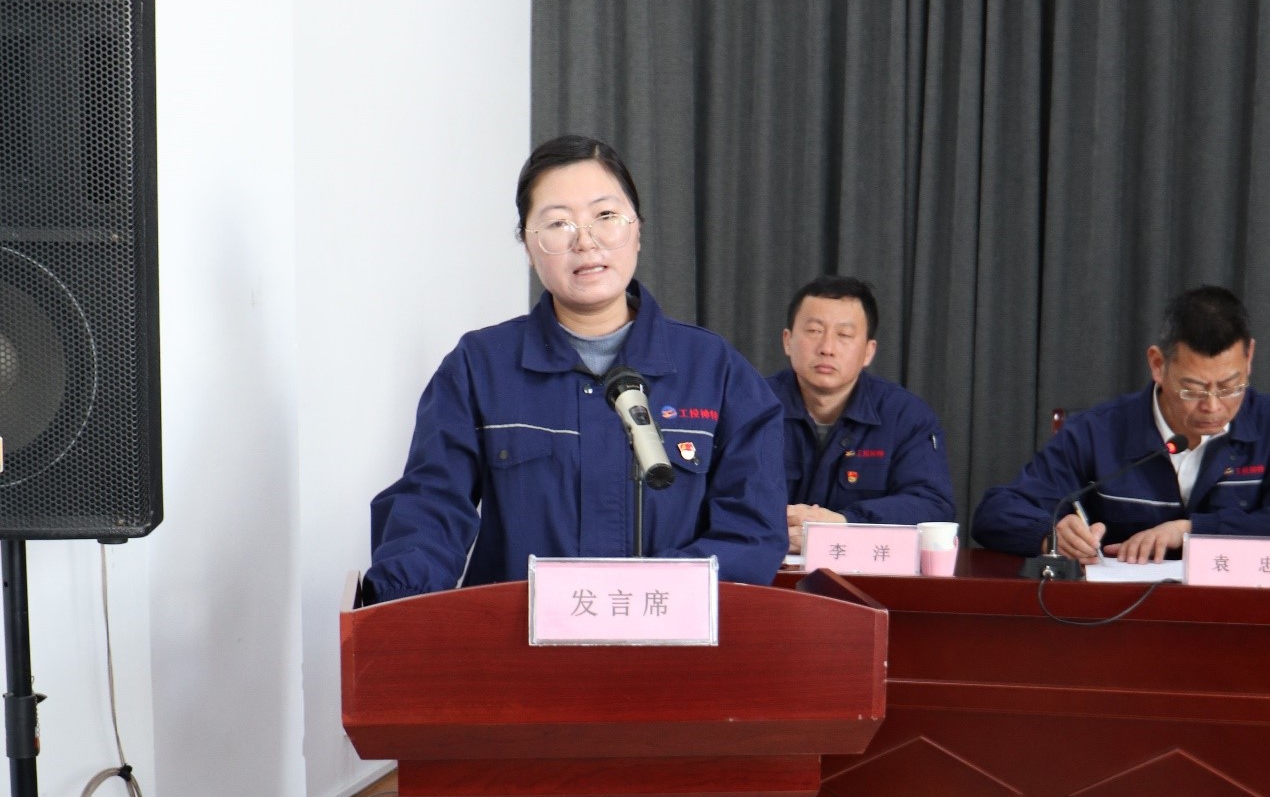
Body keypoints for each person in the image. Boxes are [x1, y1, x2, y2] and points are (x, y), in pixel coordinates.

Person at [364, 135, 787, 600]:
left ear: (637, 230)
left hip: (669, 637)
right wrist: (398, 601)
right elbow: (430, 507)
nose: (585, 241)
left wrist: (642, 594)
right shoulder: (479, 366)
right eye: (558, 224)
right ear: (528, 247)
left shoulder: (715, 370)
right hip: (518, 640)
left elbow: (752, 532)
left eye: (605, 216)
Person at [972, 285, 1270, 564]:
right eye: (1192, 390)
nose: (1213, 406)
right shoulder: (1100, 432)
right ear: (1157, 365)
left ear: (1249, 359)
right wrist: (1051, 535)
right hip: (1125, 600)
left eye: (1231, 387)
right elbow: (996, 512)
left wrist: (1191, 530)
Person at [772, 274, 955, 557]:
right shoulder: (750, 407)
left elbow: (933, 506)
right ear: (788, 340)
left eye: (844, 335)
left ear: (869, 351)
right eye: (814, 331)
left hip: (865, 572)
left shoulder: (905, 416)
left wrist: (844, 524)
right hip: (766, 569)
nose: (827, 348)